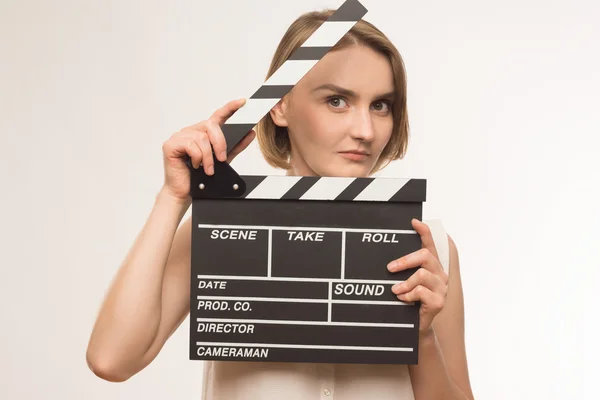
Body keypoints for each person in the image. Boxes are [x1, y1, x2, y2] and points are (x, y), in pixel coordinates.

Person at [86, 7, 474, 400]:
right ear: (279, 105)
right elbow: (111, 360)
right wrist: (174, 197)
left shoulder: (429, 253)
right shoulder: (220, 231)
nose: (365, 131)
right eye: (337, 101)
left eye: (381, 105)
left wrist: (421, 337)